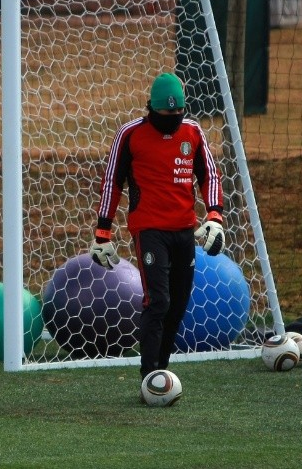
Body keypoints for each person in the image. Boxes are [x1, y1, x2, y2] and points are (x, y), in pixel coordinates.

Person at [89, 72, 226, 397]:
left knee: (178, 304)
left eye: (176, 114)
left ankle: (160, 369)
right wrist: (102, 232)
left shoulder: (192, 132)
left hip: (184, 230)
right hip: (149, 230)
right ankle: (149, 373)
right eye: (166, 116)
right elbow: (112, 182)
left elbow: (209, 175)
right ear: (151, 109)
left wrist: (215, 216)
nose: (172, 120)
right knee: (158, 300)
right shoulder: (130, 134)